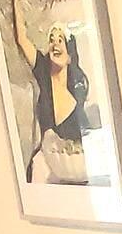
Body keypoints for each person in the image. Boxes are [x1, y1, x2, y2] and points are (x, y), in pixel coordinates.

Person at [25, 24, 102, 185]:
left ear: (70, 55)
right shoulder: (43, 75)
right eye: (52, 40)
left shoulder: (77, 88)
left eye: (60, 40)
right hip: (49, 159)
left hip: (75, 162)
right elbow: (21, 39)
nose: (55, 44)